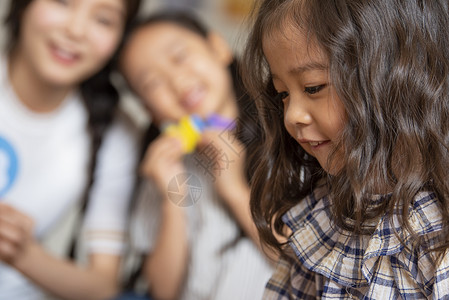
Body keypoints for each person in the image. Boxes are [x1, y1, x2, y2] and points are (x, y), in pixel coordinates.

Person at [241, 0, 449, 299]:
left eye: (313, 87)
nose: (292, 115)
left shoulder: (434, 239)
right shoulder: (323, 211)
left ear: (396, 76)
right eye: (283, 93)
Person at [119, 11, 274, 300]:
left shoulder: (288, 134)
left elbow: (308, 262)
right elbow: (162, 292)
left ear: (217, 47)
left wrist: (235, 190)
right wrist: (172, 199)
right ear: (150, 112)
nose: (177, 82)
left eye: (179, 56)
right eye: (152, 84)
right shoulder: (169, 169)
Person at [0, 0, 141, 299]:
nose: (75, 30)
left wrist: (22, 252)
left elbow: (102, 287)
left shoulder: (116, 134)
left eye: (103, 19)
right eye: (62, 2)